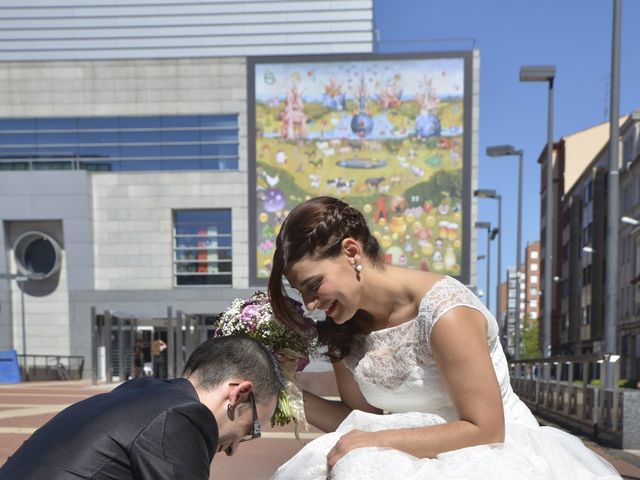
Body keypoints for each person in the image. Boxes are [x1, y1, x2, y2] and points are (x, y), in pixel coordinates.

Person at [267, 196, 622, 480]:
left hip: (492, 457)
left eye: (314, 285)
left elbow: (485, 429)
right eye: (302, 293)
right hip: (405, 460)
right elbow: (360, 419)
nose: (311, 304)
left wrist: (376, 443)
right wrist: (282, 388)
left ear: (351, 252)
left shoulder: (444, 312)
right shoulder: (344, 327)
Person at [0, 335, 283, 480]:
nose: (234, 450)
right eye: (252, 429)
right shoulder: (184, 417)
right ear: (239, 394)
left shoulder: (138, 392)